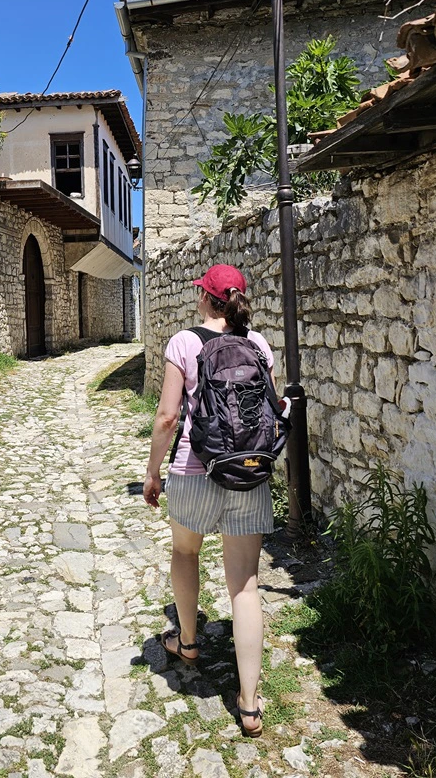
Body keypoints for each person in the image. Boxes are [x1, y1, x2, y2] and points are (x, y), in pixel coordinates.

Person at [143, 263, 275, 738]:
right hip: (249, 472)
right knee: (245, 586)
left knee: (185, 552)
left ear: (205, 298)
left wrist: (153, 472)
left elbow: (166, 417)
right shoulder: (259, 345)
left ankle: (189, 642)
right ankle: (249, 704)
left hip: (194, 472)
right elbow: (270, 411)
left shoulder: (184, 342)